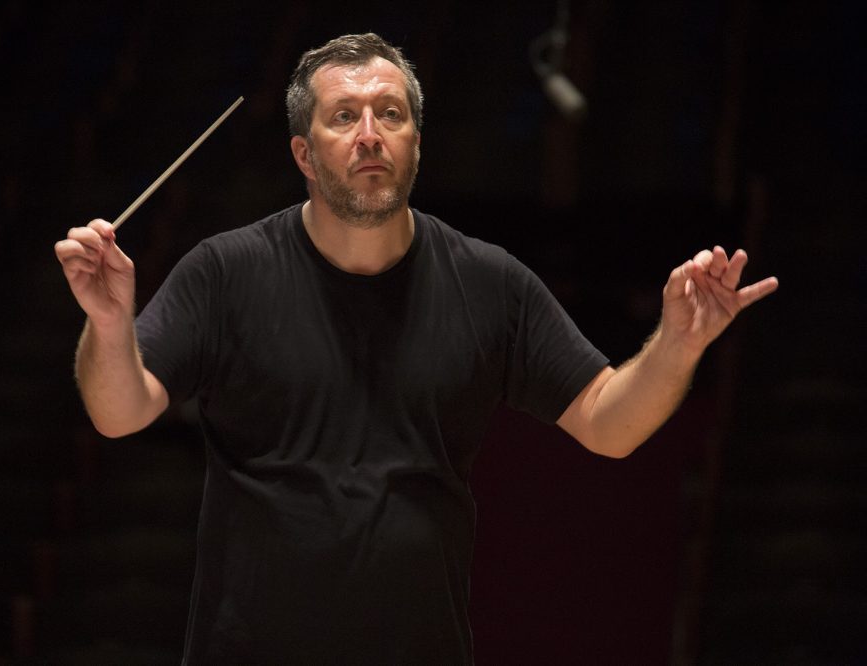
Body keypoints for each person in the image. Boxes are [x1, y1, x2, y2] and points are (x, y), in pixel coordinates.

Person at [55, 33, 778, 665]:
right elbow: (120, 412)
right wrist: (109, 324)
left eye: (390, 115)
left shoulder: (488, 282)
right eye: (345, 116)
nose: (370, 133)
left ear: (416, 145)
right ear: (304, 155)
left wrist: (677, 346)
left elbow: (608, 423)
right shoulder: (226, 273)